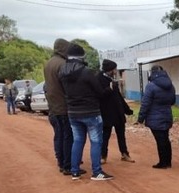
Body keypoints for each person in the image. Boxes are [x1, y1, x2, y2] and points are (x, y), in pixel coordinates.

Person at [59, 43, 113, 181]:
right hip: (91, 112)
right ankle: (96, 172)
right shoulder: (86, 72)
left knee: (77, 141)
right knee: (95, 141)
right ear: (81, 56)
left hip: (72, 112)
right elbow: (100, 93)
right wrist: (110, 89)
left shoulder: (62, 72)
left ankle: (75, 171)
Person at [44, 38, 85, 176]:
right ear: (63, 49)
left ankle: (61, 162)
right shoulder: (63, 64)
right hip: (64, 107)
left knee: (59, 136)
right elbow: (67, 87)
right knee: (69, 137)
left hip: (53, 107)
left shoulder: (48, 63)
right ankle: (68, 165)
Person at [137, 65, 176, 169]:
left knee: (160, 140)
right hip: (167, 115)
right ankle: (168, 162)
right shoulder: (170, 85)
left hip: (155, 118)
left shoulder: (151, 86)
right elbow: (173, 101)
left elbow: (145, 103)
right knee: (166, 139)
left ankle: (163, 163)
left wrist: (140, 118)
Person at [98, 59, 135, 164]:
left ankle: (124, 154)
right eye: (114, 69)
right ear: (110, 69)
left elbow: (118, 97)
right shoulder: (99, 79)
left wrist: (127, 109)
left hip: (118, 113)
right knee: (105, 135)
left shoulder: (112, 79)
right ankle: (103, 155)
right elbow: (99, 95)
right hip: (106, 113)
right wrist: (109, 89)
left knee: (121, 135)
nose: (116, 70)